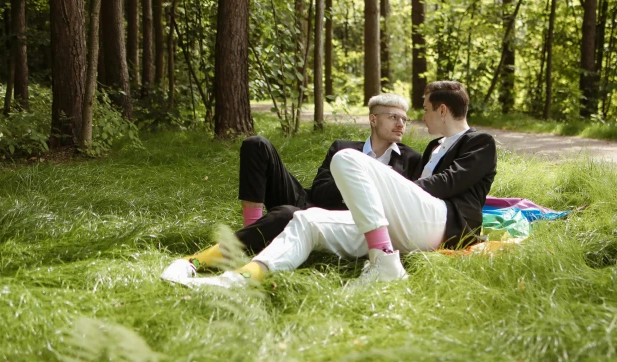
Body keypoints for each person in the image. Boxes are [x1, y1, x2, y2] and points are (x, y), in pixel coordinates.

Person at [166, 81, 496, 288]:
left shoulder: (479, 141)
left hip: (443, 222)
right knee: (303, 218)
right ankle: (231, 276)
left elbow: (446, 184)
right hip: (390, 220)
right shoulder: (432, 148)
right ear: (373, 119)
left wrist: (382, 183)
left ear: (441, 109)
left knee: (347, 159)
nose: (415, 119)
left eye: (422, 111)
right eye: (396, 116)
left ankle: (383, 262)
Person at [161, 93, 421, 282]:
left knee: (287, 214)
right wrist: (356, 172)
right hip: (313, 203)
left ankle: (196, 260)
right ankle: (252, 231)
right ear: (374, 119)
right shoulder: (343, 148)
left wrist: (376, 180)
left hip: (344, 223)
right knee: (257, 144)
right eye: (394, 117)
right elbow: (320, 191)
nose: (401, 124)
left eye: (405, 119)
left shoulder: (410, 159)